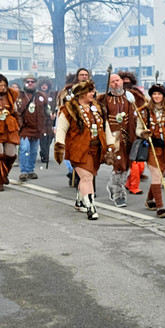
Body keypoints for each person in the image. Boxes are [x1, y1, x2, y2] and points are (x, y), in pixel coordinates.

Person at [53, 80, 117, 220]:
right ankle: (91, 206)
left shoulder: (98, 107)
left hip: (96, 149)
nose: (92, 93)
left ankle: (79, 200)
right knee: (87, 177)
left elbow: (106, 127)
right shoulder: (69, 109)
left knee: (88, 176)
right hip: (78, 149)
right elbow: (61, 129)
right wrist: (59, 146)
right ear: (81, 94)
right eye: (89, 91)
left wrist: (111, 144)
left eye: (92, 91)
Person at [136, 83, 165, 218]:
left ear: (164, 96)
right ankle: (160, 207)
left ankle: (150, 200)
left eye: (159, 93)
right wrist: (143, 133)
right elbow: (137, 129)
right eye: (154, 94)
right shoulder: (143, 111)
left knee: (159, 176)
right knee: (156, 175)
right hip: (150, 147)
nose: (156, 96)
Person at [99, 72, 140, 207]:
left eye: (117, 80)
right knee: (119, 165)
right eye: (112, 82)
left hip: (129, 135)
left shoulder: (130, 97)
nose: (116, 83)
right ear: (109, 85)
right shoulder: (104, 99)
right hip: (114, 137)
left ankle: (112, 185)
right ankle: (119, 194)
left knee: (127, 164)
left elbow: (139, 114)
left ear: (122, 81)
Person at [58, 68, 91, 186]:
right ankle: (73, 172)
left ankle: (81, 175)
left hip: (86, 124)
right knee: (70, 150)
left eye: (86, 75)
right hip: (71, 122)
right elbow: (61, 106)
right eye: (81, 75)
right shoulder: (68, 90)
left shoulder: (92, 91)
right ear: (77, 76)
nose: (84, 77)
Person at [15, 75, 47, 181]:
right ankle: (23, 172)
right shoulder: (18, 96)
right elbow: (14, 111)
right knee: (25, 149)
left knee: (33, 152)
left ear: (35, 83)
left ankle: (30, 170)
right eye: (27, 81)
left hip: (37, 129)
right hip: (24, 128)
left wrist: (50, 119)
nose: (30, 83)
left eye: (32, 81)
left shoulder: (41, 96)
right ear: (24, 83)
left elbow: (47, 112)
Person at [121, 71, 149, 193]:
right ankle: (132, 185)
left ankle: (131, 184)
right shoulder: (115, 96)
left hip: (137, 132)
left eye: (128, 81)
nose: (126, 83)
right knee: (126, 163)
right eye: (124, 81)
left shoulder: (138, 95)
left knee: (138, 162)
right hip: (121, 133)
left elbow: (145, 108)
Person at [37, 78, 57, 165]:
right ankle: (44, 154)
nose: (44, 86)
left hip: (51, 120)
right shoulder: (37, 95)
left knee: (50, 137)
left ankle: (45, 152)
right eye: (42, 85)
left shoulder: (52, 95)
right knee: (43, 137)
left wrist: (55, 114)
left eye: (46, 85)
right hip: (42, 120)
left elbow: (57, 105)